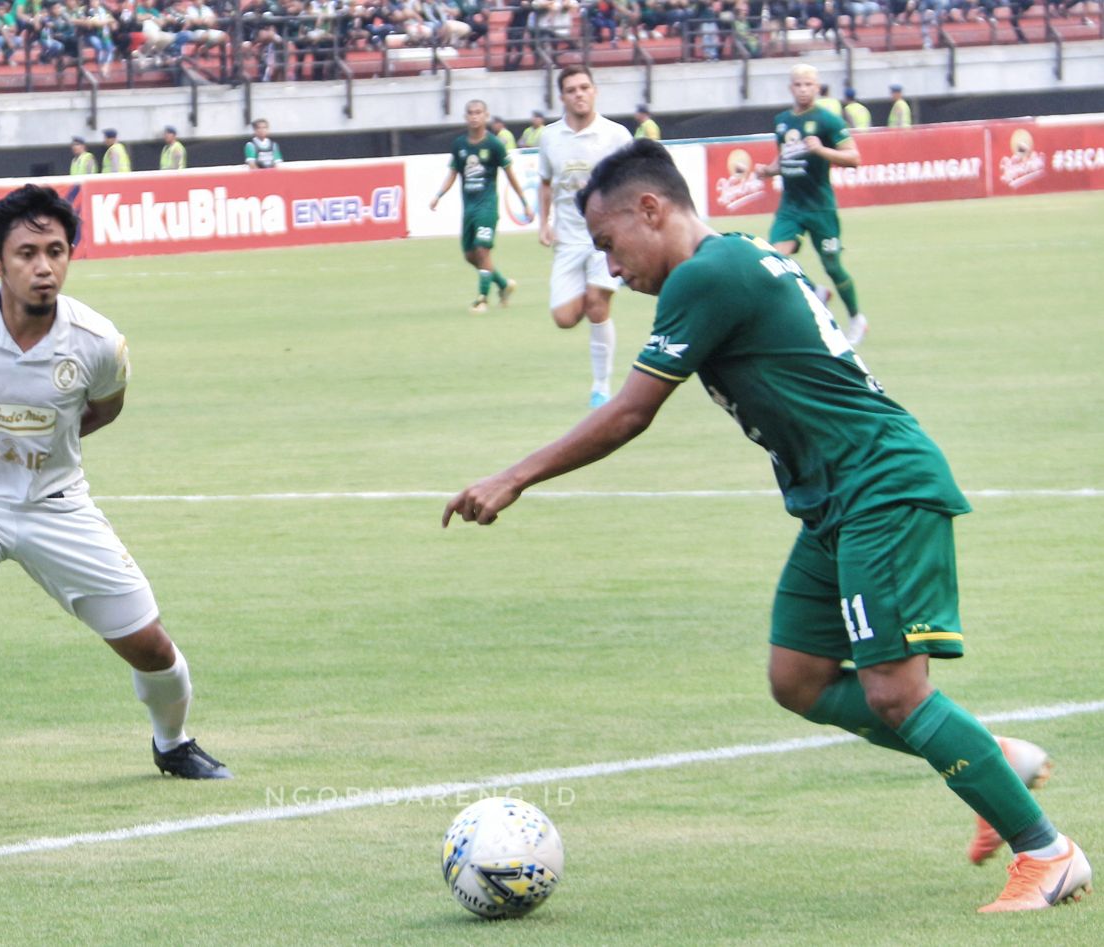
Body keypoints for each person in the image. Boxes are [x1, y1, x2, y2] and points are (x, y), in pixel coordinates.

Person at [442, 137, 1094, 916]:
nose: (612, 269)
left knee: (894, 691)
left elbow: (629, 414)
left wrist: (513, 476)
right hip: (834, 502)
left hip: (879, 486)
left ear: (652, 208)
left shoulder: (707, 274)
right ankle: (997, 760)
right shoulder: (740, 259)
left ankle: (1048, 853)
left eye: (612, 245)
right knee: (800, 678)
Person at [0, 184, 231, 803]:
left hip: (58, 506)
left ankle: (172, 742)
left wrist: (43, 450)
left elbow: (105, 407)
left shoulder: (99, 342)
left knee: (151, 649)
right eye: (25, 253)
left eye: (55, 251)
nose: (43, 267)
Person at [538, 64, 632, 409]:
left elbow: (632, 182)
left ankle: (601, 388)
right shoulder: (549, 137)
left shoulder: (617, 136)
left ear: (594, 91)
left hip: (605, 238)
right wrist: (543, 223)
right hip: (568, 238)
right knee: (564, 318)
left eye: (584, 87)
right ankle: (600, 380)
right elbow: (547, 182)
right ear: (561, 97)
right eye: (572, 90)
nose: (579, 94)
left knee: (597, 306)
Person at [757, 63, 868, 346]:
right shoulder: (782, 121)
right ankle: (815, 291)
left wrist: (821, 150)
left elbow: (854, 158)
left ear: (817, 88)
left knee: (833, 266)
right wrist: (768, 170)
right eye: (798, 84)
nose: (803, 89)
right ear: (790, 87)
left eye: (808, 84)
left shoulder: (828, 121)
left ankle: (856, 318)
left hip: (820, 206)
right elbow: (786, 158)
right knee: (774, 261)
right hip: (790, 207)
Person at [430, 98, 532, 314]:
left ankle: (482, 299)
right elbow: (453, 173)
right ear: (466, 117)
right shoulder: (460, 145)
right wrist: (439, 195)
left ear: (486, 116)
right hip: (469, 209)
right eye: (471, 113)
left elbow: (511, 175)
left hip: (487, 207)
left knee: (482, 250)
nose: (475, 116)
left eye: (479, 112)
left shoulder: (494, 144)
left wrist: (524, 203)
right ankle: (504, 285)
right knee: (470, 255)